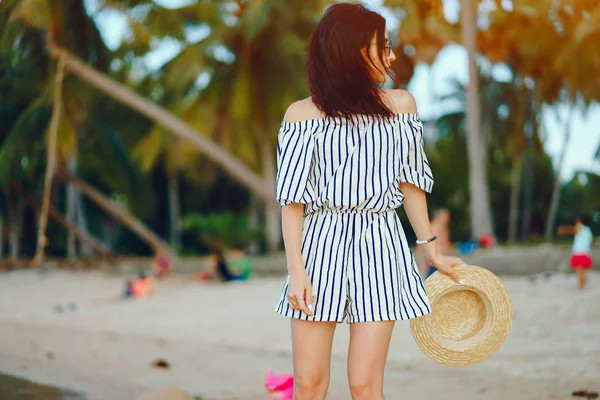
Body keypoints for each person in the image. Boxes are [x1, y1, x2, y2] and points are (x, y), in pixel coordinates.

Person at [273, 4, 464, 399]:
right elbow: (292, 201)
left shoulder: (401, 106)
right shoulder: (300, 115)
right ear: (355, 49)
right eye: (385, 46)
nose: (392, 55)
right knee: (308, 384)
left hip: (381, 242)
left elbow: (412, 183)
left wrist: (431, 250)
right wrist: (296, 269)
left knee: (364, 385)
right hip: (320, 243)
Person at [557, 215, 594, 290]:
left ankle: (581, 286)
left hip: (579, 254)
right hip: (586, 254)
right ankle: (582, 283)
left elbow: (573, 229)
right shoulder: (589, 231)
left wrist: (563, 230)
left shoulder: (580, 227)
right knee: (582, 272)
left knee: (579, 272)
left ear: (581, 221)